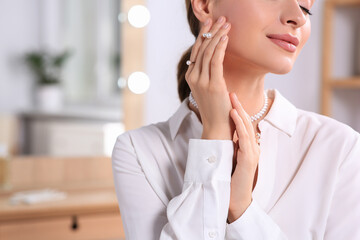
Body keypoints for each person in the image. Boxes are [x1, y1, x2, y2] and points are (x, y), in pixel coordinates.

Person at [112, 0, 360, 239]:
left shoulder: (340, 148)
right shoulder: (139, 152)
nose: (297, 17)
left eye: (306, 8)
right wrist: (215, 138)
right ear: (205, 4)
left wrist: (241, 209)